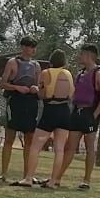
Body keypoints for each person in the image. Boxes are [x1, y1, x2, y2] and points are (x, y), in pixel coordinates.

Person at [51, 44, 100, 189]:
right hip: (76, 112)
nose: (79, 57)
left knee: (90, 146)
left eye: (82, 54)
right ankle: (57, 178)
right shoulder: (80, 74)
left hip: (90, 113)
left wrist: (94, 115)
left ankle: (86, 180)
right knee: (70, 147)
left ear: (89, 55)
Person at [0, 36, 43, 186]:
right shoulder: (12, 62)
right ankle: (3, 173)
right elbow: (2, 84)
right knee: (9, 138)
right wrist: (17, 87)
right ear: (24, 47)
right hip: (15, 102)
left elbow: (39, 86)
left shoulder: (36, 65)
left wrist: (36, 88)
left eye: (34, 47)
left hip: (31, 103)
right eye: (31, 46)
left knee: (30, 140)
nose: (33, 50)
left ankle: (27, 175)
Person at [32, 50, 75, 188]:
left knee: (35, 146)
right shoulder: (68, 74)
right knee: (59, 149)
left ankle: (28, 178)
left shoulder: (46, 73)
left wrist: (35, 90)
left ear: (51, 61)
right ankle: (53, 181)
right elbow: (71, 94)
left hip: (50, 110)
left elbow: (42, 94)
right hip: (65, 112)